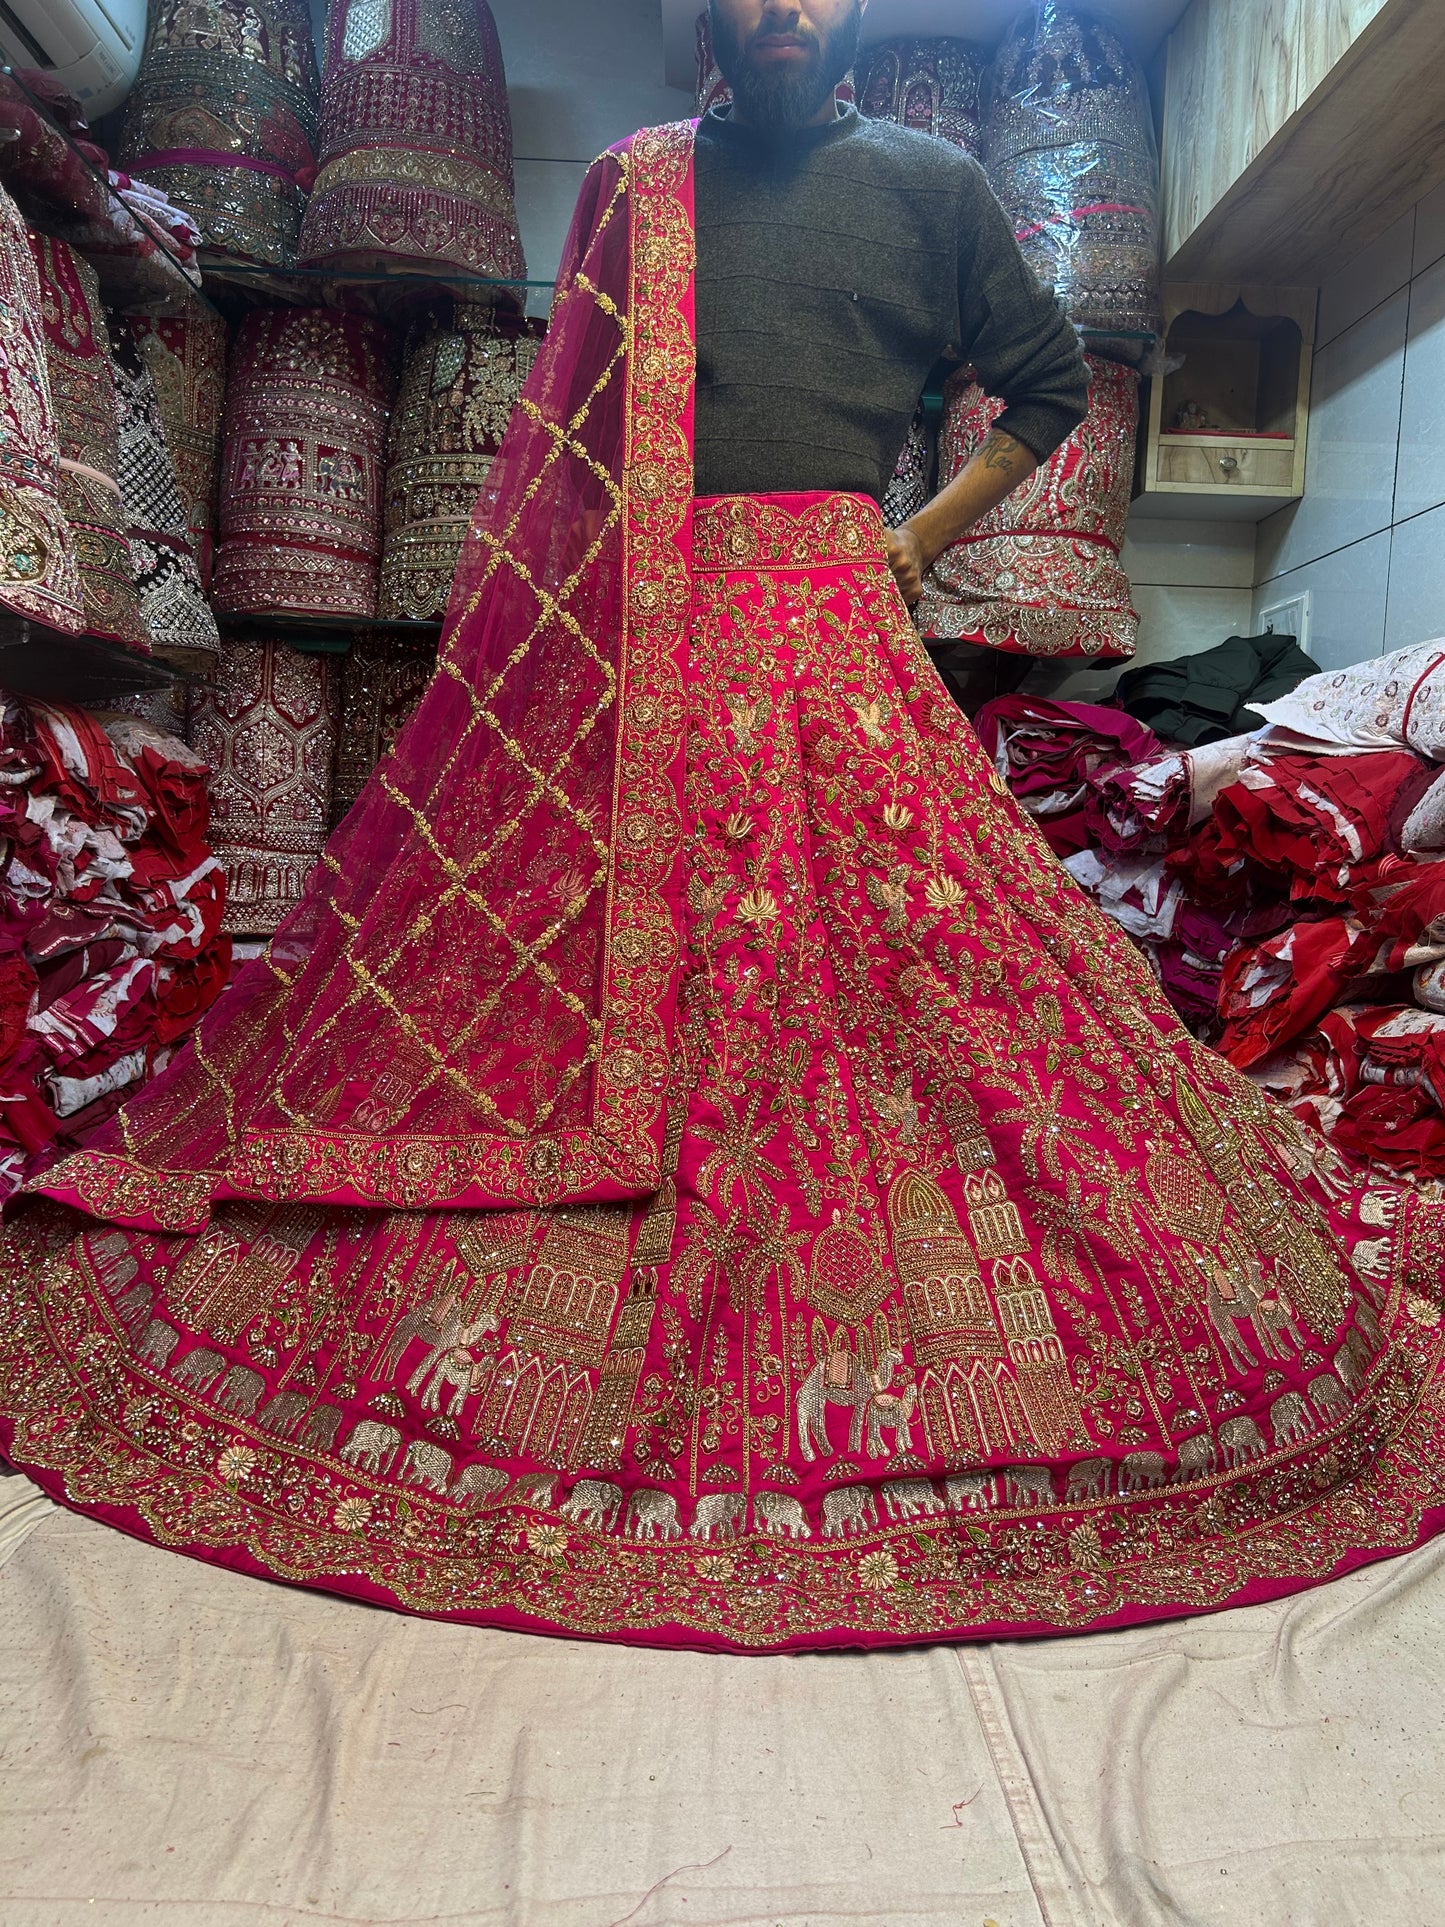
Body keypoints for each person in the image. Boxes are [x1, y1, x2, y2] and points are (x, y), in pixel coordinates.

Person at [2, 0, 1444, 1654]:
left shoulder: (927, 185)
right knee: (601, 924)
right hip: (643, 624)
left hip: (837, 618)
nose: (781, 9)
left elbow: (1044, 384)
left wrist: (915, 548)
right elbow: (575, 454)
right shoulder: (632, 180)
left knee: (929, 951)